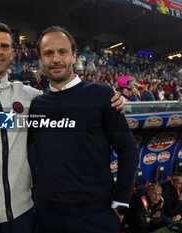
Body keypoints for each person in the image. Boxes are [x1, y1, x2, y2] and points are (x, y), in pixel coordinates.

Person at [0, 21, 124, 233]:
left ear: (12, 53)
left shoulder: (28, 97)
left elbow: (63, 98)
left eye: (4, 46)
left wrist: (113, 99)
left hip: (23, 216)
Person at [29, 26, 138, 233]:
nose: (56, 59)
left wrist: (121, 204)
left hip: (96, 217)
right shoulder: (36, 105)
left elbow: (128, 150)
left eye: (62, 52)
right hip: (47, 217)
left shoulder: (102, 95)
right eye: (48, 53)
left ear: (74, 56)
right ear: (41, 59)